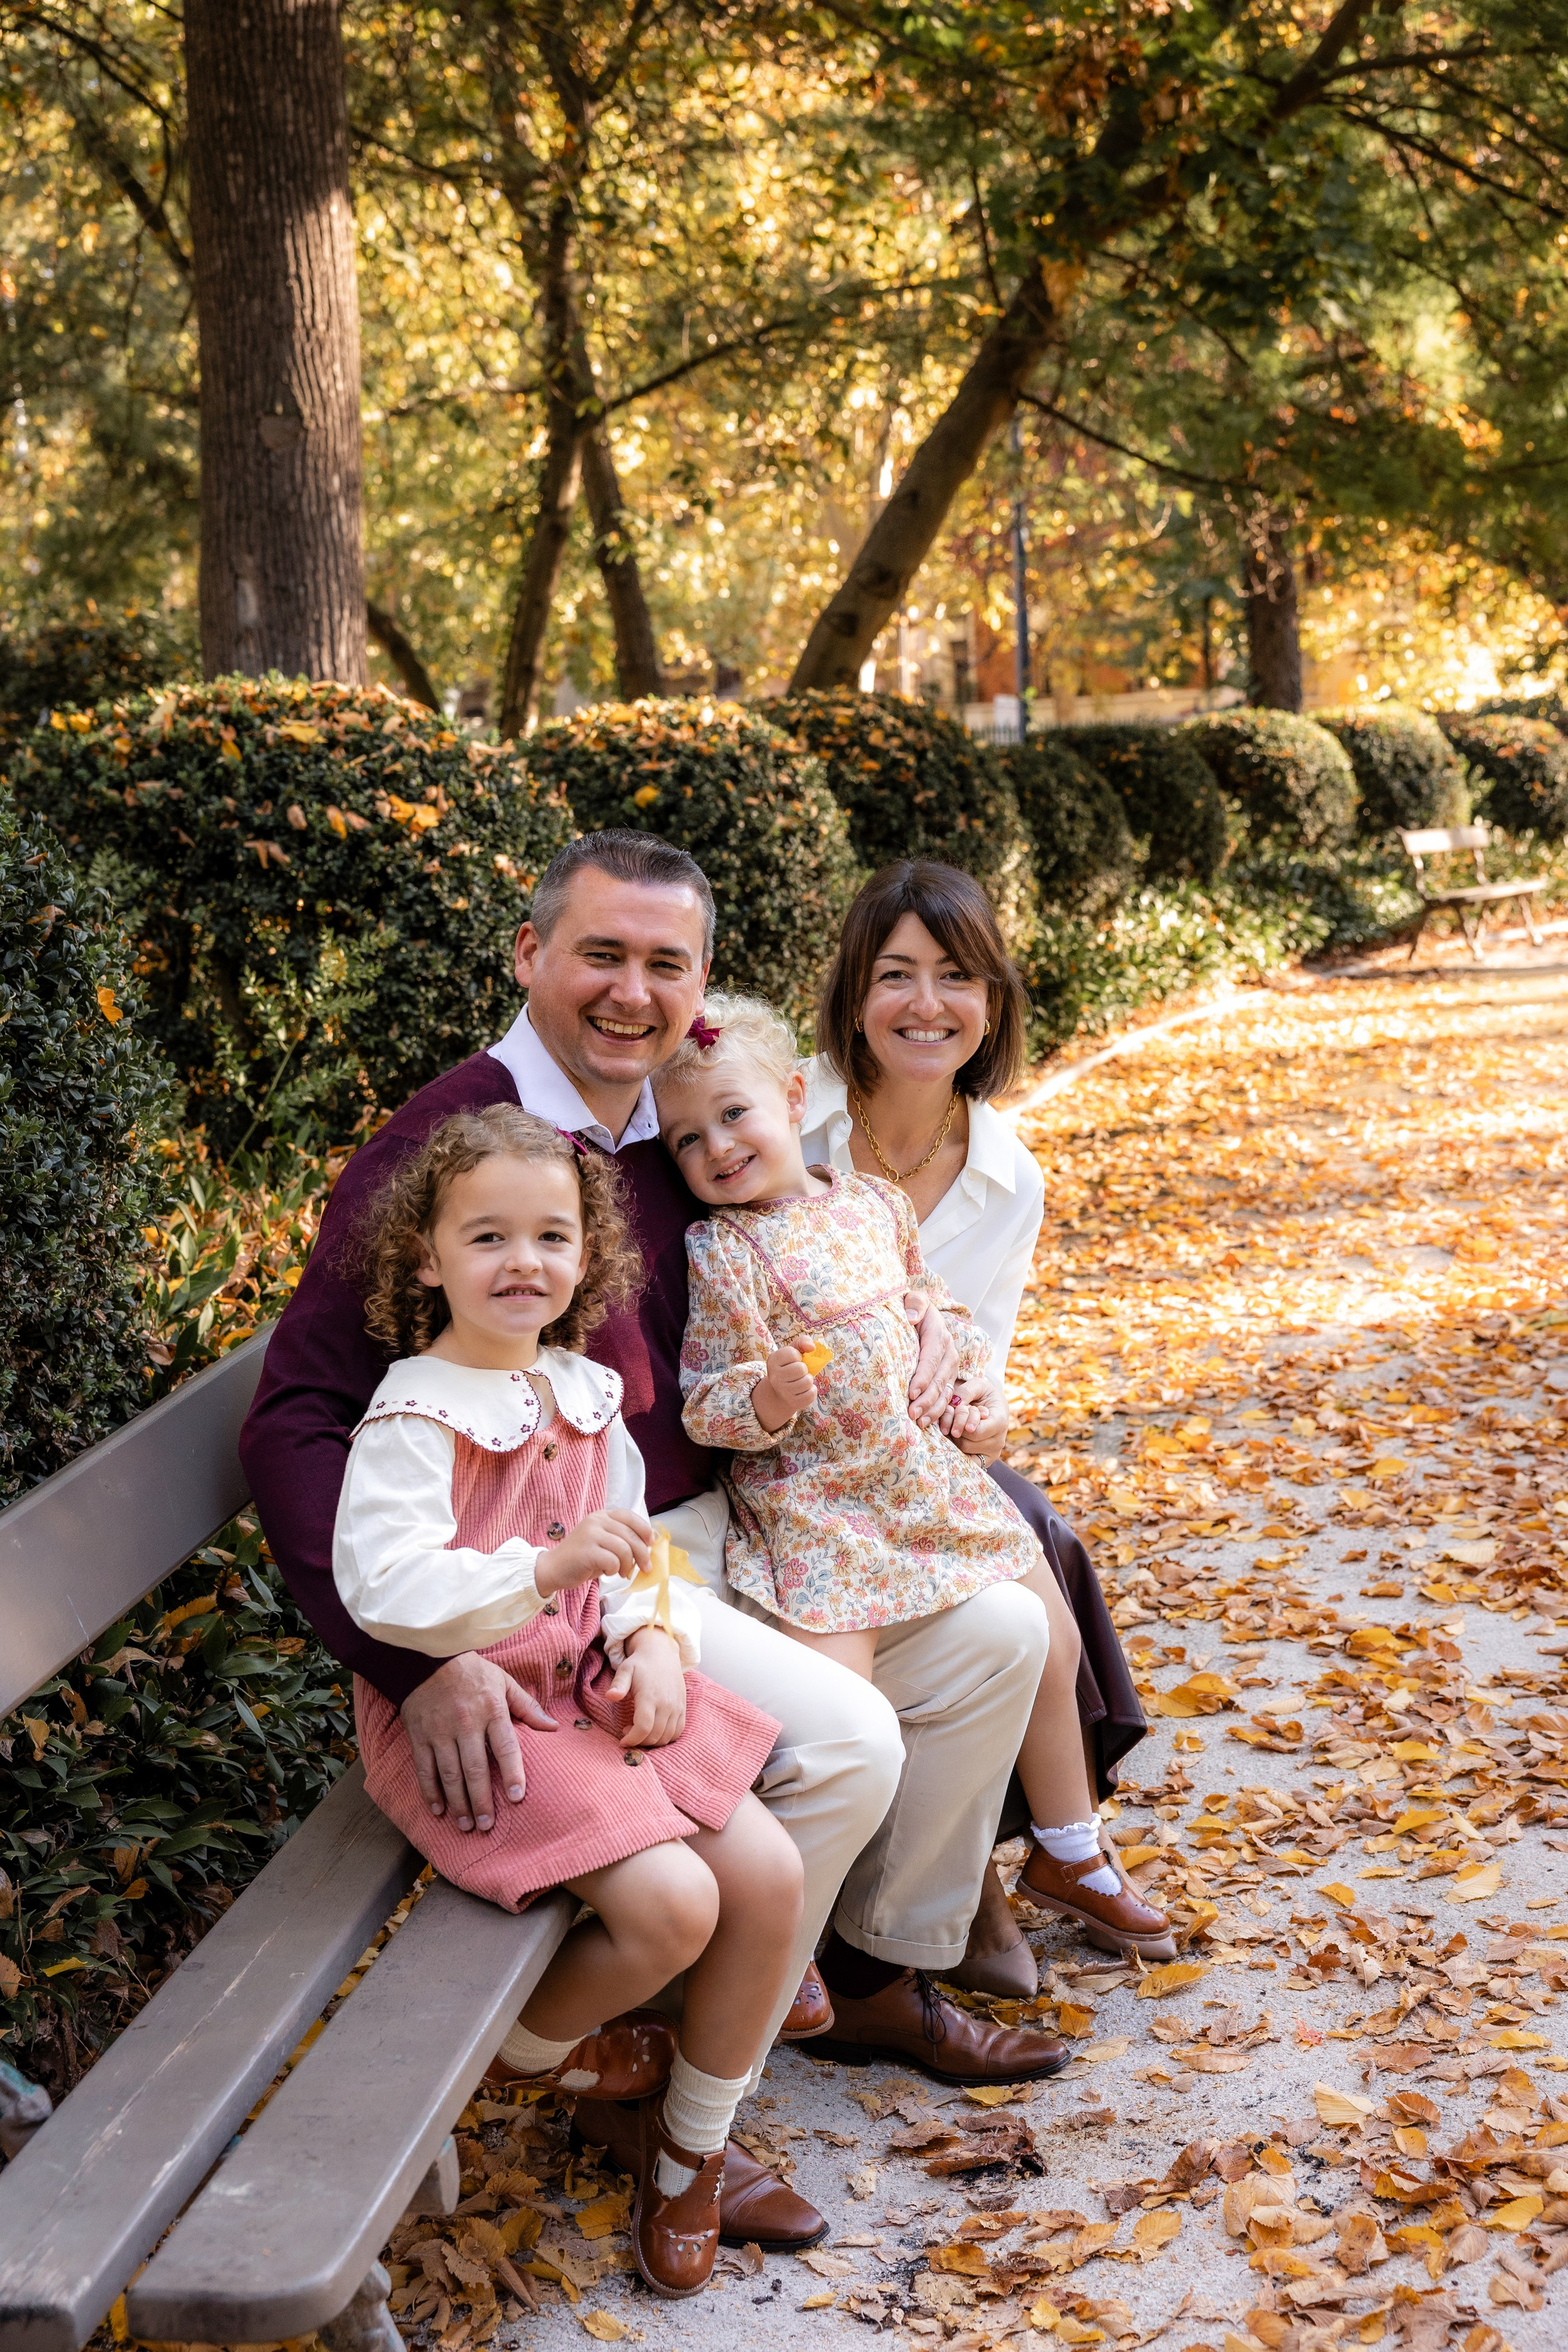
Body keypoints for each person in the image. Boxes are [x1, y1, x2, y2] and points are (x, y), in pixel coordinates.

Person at [241, 830, 1063, 2242]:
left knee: (999, 1632)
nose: (633, 994)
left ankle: (847, 1976)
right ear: (529, 957)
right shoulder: (461, 1140)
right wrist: (401, 1661)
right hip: (593, 1566)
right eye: (601, 957)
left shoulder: (667, 1131)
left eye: (665, 967)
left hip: (712, 1528)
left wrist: (940, 1352)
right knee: (849, 1738)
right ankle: (673, 2094)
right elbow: (296, 1423)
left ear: (701, 987)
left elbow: (828, 1271)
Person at [334, 1105, 799, 2297]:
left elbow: (636, 1558)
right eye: (485, 1237)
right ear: (426, 1257)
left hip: (591, 1685)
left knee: (771, 1874)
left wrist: (651, 1638)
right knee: (670, 1907)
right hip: (484, 1715)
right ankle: (528, 2061)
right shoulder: (413, 1412)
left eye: (549, 1236)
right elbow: (381, 1585)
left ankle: (691, 2148)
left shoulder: (585, 1391)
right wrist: (538, 1574)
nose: (520, 1262)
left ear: (586, 1256)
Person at [799, 858, 1171, 1989]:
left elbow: (980, 1359)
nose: (926, 1004)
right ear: (855, 993)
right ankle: (979, 1888)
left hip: (922, 1462)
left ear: (994, 1001)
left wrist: (983, 1405)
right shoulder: (783, 1119)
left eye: (956, 976)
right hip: (796, 1452)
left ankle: (1052, 1855)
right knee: (1031, 1566)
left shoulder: (1009, 1176)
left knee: (1033, 1577)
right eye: (897, 974)